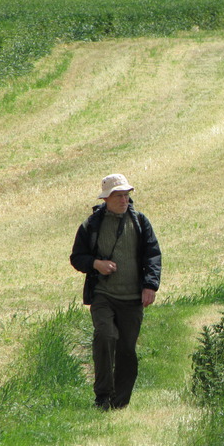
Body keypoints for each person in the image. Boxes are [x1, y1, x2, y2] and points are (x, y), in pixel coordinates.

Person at [70, 174, 161, 410]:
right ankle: (102, 396)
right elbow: (77, 258)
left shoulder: (140, 222)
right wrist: (96, 264)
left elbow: (153, 255)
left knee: (127, 351)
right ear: (106, 198)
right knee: (105, 336)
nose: (124, 200)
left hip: (132, 299)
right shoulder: (92, 225)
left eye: (126, 195)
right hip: (103, 295)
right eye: (118, 195)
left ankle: (119, 402)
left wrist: (150, 285)